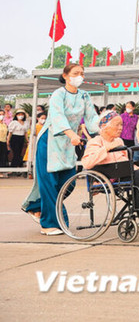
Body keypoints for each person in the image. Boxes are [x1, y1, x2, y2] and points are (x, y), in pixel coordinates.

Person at [22, 64, 100, 235]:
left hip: (68, 144)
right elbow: (57, 117)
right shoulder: (58, 94)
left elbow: (91, 117)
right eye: (75, 73)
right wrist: (71, 134)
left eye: (81, 73)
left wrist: (102, 131)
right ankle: (48, 223)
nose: (79, 76)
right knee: (49, 182)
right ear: (65, 75)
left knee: (68, 182)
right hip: (50, 141)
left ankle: (35, 206)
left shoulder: (84, 96)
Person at [0, 110, 8, 174]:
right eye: (0, 114)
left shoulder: (4, 124)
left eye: (3, 114)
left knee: (3, 156)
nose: (1, 116)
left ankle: (2, 171)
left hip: (3, 142)